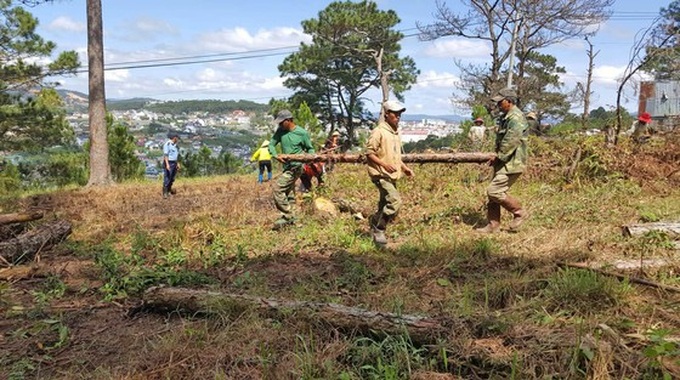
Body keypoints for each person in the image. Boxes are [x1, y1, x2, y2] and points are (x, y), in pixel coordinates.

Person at [476, 88, 529, 233]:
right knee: (492, 194)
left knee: (494, 191)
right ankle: (493, 225)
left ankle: (519, 212)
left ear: (509, 101)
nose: (498, 105)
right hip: (505, 162)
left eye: (501, 102)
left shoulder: (515, 118)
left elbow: (511, 141)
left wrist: (498, 156)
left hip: (512, 163)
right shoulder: (507, 117)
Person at [365, 100, 414, 245]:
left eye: (399, 114)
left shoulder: (395, 133)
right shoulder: (378, 132)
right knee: (394, 201)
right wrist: (384, 165)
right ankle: (379, 228)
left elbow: (395, 156)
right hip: (380, 174)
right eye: (395, 114)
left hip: (391, 175)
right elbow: (369, 153)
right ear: (387, 114)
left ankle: (374, 228)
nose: (398, 117)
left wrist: (405, 168)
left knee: (384, 203)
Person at [268, 109, 315, 229]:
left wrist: (308, 159)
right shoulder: (280, 132)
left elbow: (310, 149)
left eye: (281, 122)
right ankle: (295, 222)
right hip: (286, 167)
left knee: (277, 188)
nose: (279, 125)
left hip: (296, 167)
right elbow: (271, 145)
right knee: (289, 194)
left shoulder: (302, 133)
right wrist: (276, 155)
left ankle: (289, 215)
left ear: (288, 121)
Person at [162, 133, 181, 199]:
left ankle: (169, 190)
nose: (178, 140)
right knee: (167, 177)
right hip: (169, 162)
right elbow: (166, 155)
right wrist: (167, 164)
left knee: (172, 178)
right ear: (174, 138)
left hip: (174, 162)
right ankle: (165, 193)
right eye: (177, 138)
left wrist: (178, 163)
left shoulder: (176, 146)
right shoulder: (167, 144)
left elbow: (177, 156)